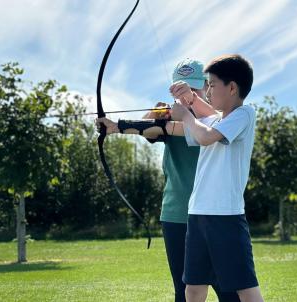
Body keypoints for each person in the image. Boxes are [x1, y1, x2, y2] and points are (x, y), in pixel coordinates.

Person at [97, 58, 240, 302]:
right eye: (182, 90)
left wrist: (189, 107)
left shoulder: (223, 119)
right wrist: (117, 125)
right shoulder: (169, 118)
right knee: (184, 292)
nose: (188, 95)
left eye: (194, 89)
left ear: (207, 87)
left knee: (231, 292)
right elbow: (151, 130)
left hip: (216, 215)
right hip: (176, 215)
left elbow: (215, 121)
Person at [170, 54, 264, 302]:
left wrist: (186, 114)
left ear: (232, 87)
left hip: (226, 218)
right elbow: (205, 116)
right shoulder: (215, 120)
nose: (207, 91)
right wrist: (187, 99)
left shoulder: (244, 114)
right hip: (198, 214)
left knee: (245, 289)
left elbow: (205, 136)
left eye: (211, 85)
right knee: (193, 288)